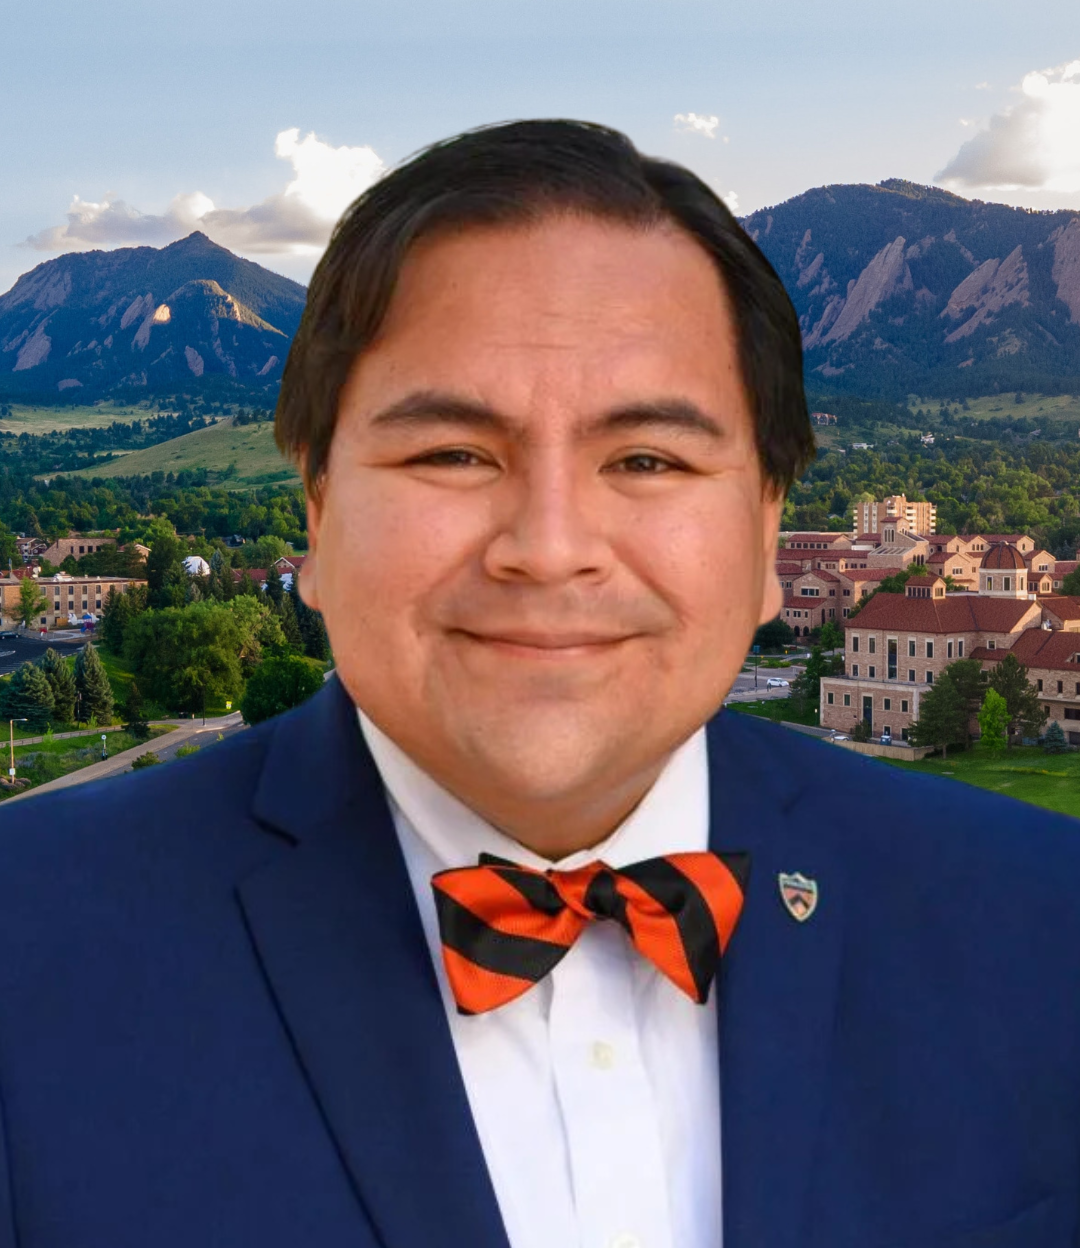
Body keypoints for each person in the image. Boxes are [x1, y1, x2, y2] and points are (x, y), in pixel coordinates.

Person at [0, 121, 1076, 1248]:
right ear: (315, 518)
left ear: (767, 535)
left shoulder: (1049, 926)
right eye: (453, 455)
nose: (550, 547)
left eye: (648, 460)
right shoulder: (26, 955)